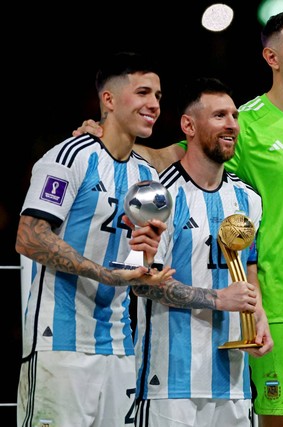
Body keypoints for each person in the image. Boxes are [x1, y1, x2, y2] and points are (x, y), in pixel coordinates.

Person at [73, 11, 283, 427]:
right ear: (271, 57)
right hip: (279, 305)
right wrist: (110, 135)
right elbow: (186, 155)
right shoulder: (248, 123)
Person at [16, 51, 173, 427]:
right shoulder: (71, 155)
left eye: (159, 96)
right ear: (109, 99)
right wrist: (106, 274)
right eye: (143, 93)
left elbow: (140, 261)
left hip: (120, 347)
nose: (154, 104)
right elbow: (29, 237)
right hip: (60, 344)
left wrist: (146, 271)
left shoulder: (146, 174)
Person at [132, 76, 273, 426]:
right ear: (188, 126)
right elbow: (141, 282)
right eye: (220, 116)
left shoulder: (248, 200)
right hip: (168, 382)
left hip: (234, 382)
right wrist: (217, 299)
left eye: (235, 116)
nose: (232, 125)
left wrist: (259, 317)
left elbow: (247, 267)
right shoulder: (157, 197)